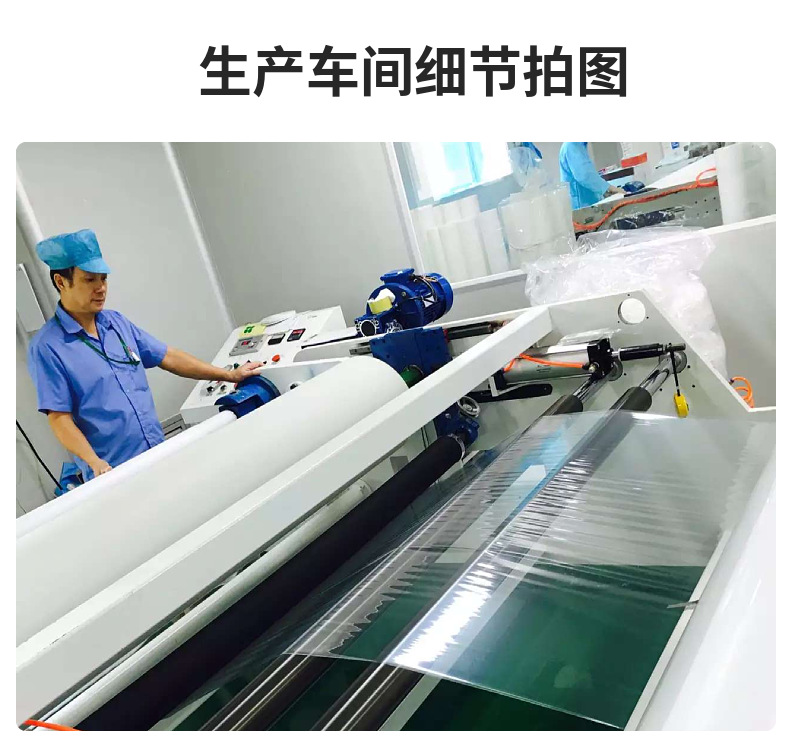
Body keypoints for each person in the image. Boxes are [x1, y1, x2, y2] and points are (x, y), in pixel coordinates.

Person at [27, 229, 263, 482]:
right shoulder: (49, 346)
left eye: (104, 279)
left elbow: (168, 357)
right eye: (89, 280)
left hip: (158, 455)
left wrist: (229, 375)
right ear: (61, 282)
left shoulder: (115, 323)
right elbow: (59, 418)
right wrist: (95, 463)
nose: (101, 288)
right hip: (114, 474)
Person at [559, 142, 626, 209]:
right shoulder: (572, 145)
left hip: (586, 204)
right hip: (582, 206)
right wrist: (608, 188)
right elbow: (584, 175)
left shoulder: (579, 146)